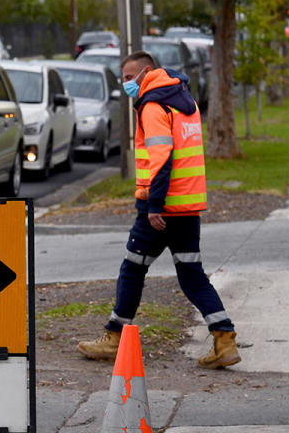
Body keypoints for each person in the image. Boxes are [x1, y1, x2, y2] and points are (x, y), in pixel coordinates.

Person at [76, 50, 241, 370]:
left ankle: (113, 337)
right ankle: (224, 337)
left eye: (127, 78)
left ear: (145, 72)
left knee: (132, 268)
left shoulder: (153, 105)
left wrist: (153, 206)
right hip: (187, 205)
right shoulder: (183, 100)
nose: (125, 85)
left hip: (161, 208)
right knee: (192, 276)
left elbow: (162, 158)